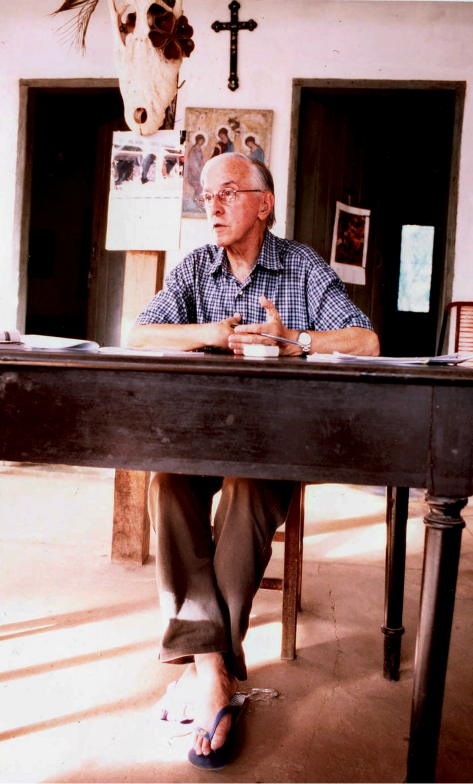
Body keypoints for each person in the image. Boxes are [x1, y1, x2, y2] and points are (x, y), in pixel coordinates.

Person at [128, 153, 379, 769]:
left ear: (264, 203)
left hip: (275, 444)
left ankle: (206, 673)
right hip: (203, 435)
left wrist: (294, 340)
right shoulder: (195, 269)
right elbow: (138, 333)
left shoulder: (301, 266)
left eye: (229, 192)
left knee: (245, 492)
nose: (211, 204)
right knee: (167, 486)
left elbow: (365, 339)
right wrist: (214, 332)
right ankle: (216, 669)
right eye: (206, 193)